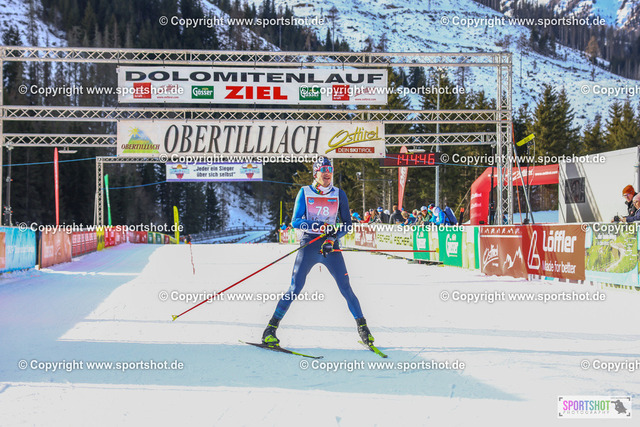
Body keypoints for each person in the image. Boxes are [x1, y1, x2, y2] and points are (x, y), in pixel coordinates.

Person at [261, 156, 375, 347]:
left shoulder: (339, 194)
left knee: (345, 287)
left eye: (330, 170)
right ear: (316, 173)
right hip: (310, 243)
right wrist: (318, 226)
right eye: (323, 170)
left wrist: (332, 237)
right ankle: (270, 329)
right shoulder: (305, 192)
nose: (327, 173)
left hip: (330, 245)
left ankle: (363, 328)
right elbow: (295, 221)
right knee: (295, 288)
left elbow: (347, 224)